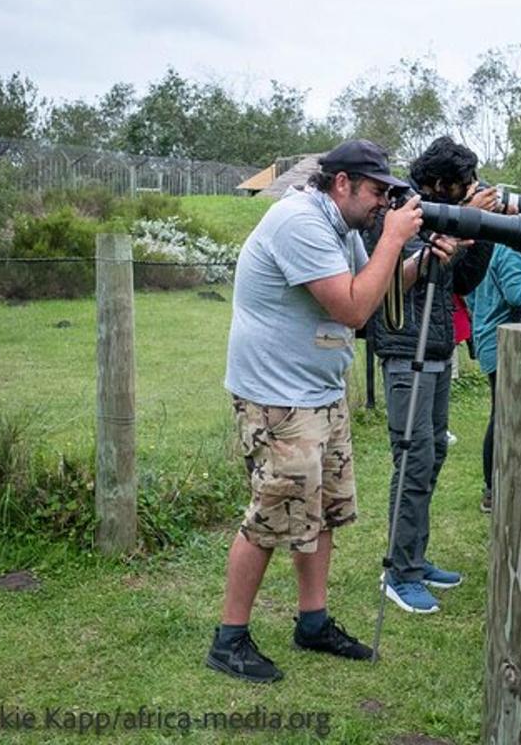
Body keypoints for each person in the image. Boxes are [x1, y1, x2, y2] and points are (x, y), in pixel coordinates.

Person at [209, 139, 459, 683]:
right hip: (279, 397)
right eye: (377, 192)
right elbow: (350, 307)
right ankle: (229, 638)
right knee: (271, 514)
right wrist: (393, 239)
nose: (383, 204)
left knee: (322, 511)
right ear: (341, 183)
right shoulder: (298, 222)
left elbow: (371, 290)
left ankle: (313, 622)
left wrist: (414, 259)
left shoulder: (337, 227)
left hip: (319, 391)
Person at [362, 136, 497, 615]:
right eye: (462, 190)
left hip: (438, 347)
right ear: (439, 184)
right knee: (414, 456)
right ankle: (399, 572)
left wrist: (479, 231)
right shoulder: (397, 214)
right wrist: (457, 234)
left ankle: (414, 557)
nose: (466, 196)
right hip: (404, 348)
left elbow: (461, 281)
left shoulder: (444, 216)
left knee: (434, 451)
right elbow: (395, 275)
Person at [468, 243, 521, 512]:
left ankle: (502, 483)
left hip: (488, 334)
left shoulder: (489, 248)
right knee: (503, 414)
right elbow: (517, 295)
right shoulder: (510, 250)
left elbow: (470, 294)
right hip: (503, 341)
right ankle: (493, 489)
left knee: (503, 411)